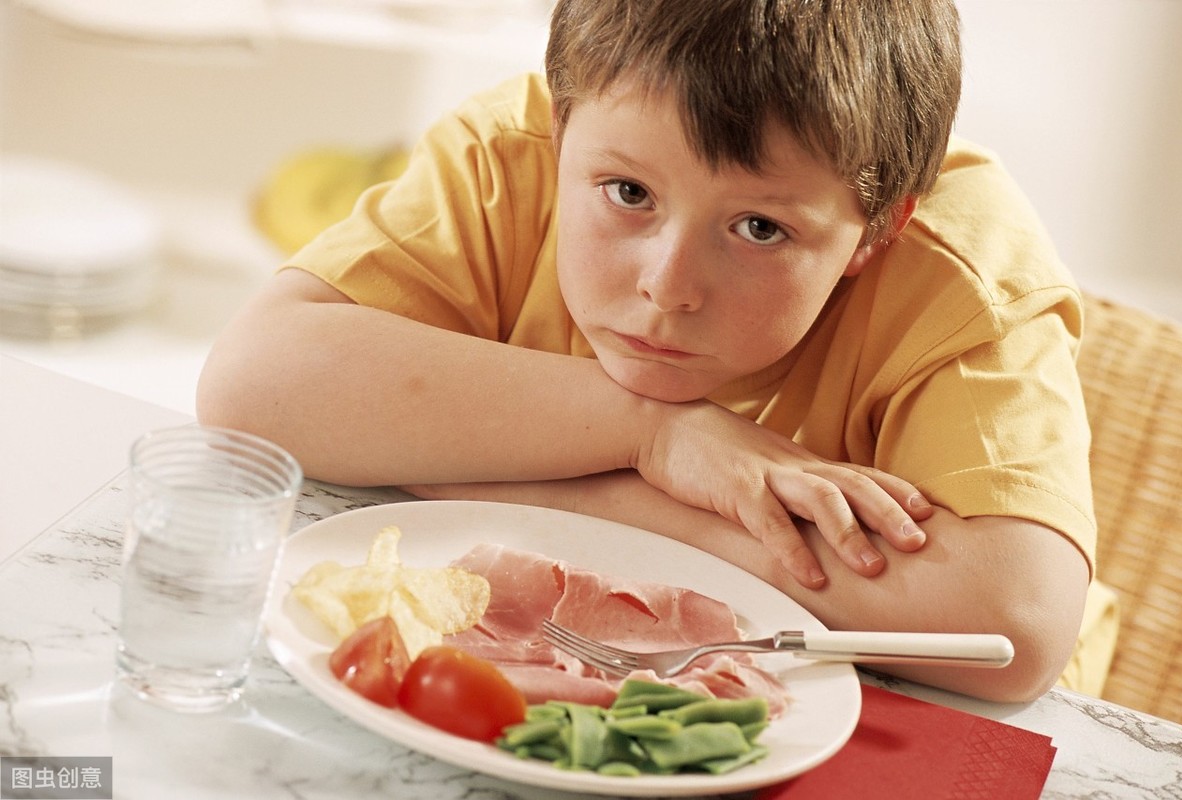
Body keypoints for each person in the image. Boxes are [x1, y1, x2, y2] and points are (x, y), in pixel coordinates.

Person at [197, 0, 1116, 703]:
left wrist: (543, 481)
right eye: (627, 193)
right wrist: (656, 433)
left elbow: (1015, 626)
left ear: (876, 232)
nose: (669, 285)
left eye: (759, 227)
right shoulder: (511, 154)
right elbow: (253, 382)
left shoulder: (966, 280)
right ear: (562, 132)